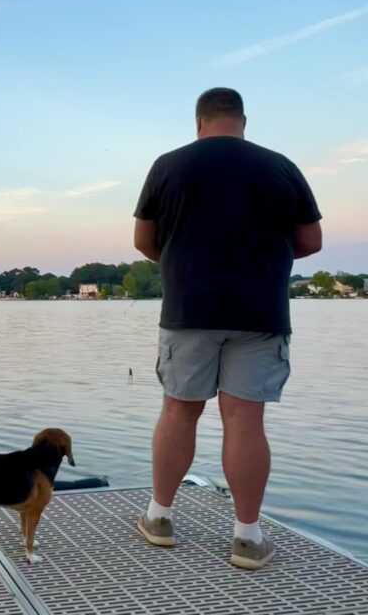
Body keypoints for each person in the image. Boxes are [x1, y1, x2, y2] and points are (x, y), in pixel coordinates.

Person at [132, 87, 322, 570]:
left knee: (178, 412)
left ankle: (159, 518)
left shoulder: (168, 165)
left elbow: (143, 240)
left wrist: (181, 261)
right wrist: (264, 261)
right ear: (242, 120)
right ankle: (247, 538)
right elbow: (311, 241)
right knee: (245, 420)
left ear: (199, 122)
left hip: (188, 310)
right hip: (259, 314)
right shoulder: (280, 166)